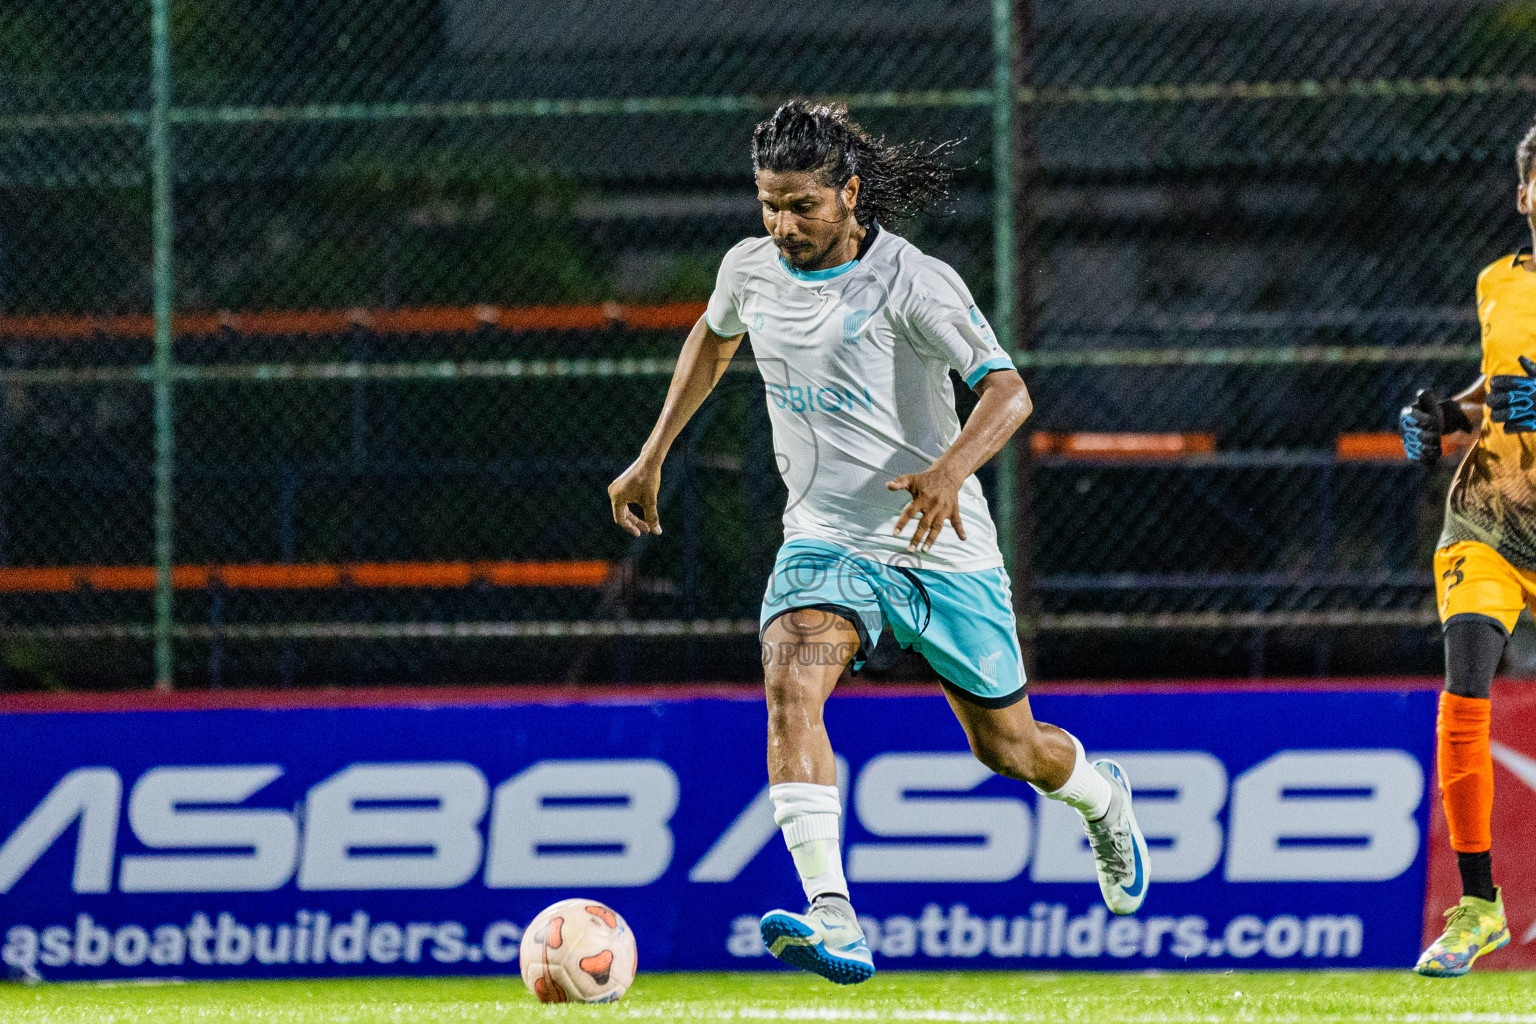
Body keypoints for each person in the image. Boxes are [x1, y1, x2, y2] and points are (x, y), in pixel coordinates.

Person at [607, 100, 1148, 985]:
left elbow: (1008, 392)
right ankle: (835, 916)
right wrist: (652, 452)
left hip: (940, 546)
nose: (783, 226)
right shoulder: (749, 268)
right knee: (791, 681)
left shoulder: (913, 282)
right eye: (769, 205)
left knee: (1010, 750)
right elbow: (713, 336)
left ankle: (1101, 798)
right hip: (826, 543)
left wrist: (949, 470)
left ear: (850, 194)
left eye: (803, 206)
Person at [1398, 114, 1536, 978]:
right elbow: (1503, 387)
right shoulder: (1498, 283)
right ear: (1525, 194)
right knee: (1466, 693)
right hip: (1491, 521)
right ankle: (1479, 908)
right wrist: (1446, 415)